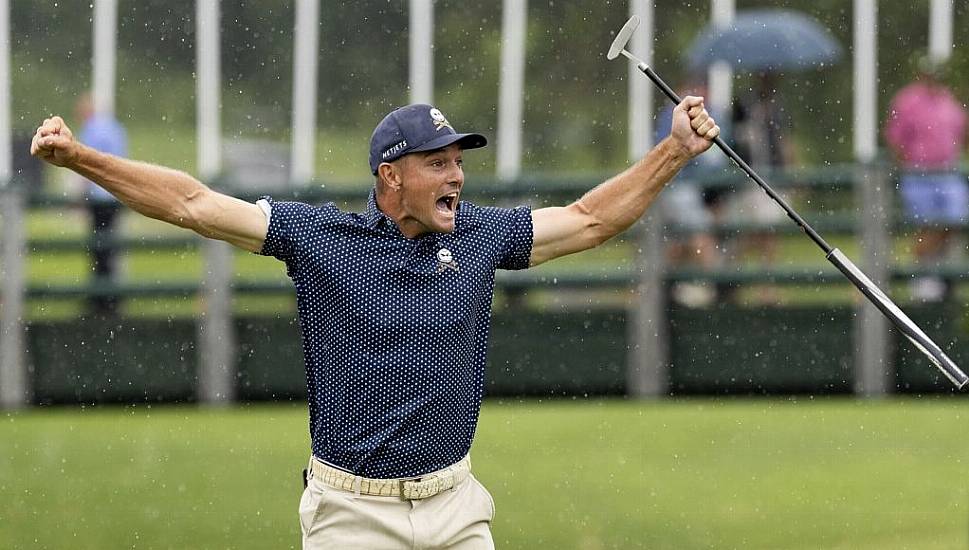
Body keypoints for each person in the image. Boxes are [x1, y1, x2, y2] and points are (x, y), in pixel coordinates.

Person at [31, 99, 719, 549]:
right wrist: (81, 159)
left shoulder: (481, 235)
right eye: (438, 163)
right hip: (351, 519)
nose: (457, 176)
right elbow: (190, 202)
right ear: (390, 177)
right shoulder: (317, 237)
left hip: (456, 508)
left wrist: (674, 151)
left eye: (459, 162)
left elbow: (590, 219)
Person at [885, 57, 968, 302]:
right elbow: (896, 139)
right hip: (918, 173)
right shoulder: (907, 101)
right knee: (927, 225)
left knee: (953, 221)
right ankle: (924, 281)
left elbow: (960, 135)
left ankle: (938, 277)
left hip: (946, 173)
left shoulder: (949, 101)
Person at [655, 81, 724, 307]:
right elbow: (667, 159)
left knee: (683, 242)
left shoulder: (712, 115)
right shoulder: (672, 116)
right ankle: (717, 291)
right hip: (677, 189)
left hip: (700, 193)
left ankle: (665, 292)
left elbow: (715, 165)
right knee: (698, 237)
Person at [74, 93, 128, 315]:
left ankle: (101, 300)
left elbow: (85, 165)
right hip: (115, 196)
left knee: (99, 248)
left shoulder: (91, 129)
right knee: (110, 247)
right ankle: (112, 299)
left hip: (99, 198)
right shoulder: (115, 128)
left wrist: (79, 197)